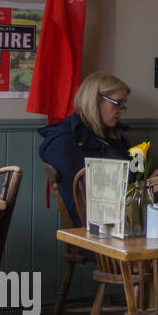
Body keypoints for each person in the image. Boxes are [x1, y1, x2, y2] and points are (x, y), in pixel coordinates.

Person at [39, 72, 133, 225]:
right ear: (95, 100)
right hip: (97, 228)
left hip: (121, 213)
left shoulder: (109, 134)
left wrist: (150, 180)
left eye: (124, 105)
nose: (122, 110)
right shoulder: (66, 140)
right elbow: (81, 200)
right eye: (118, 103)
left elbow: (130, 173)